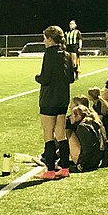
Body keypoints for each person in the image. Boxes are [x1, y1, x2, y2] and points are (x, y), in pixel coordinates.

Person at [33, 26, 73, 180]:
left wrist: (37, 77)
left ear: (50, 39)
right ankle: (64, 168)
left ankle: (50, 170)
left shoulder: (49, 54)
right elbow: (70, 78)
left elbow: (45, 78)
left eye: (45, 38)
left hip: (49, 99)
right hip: (63, 99)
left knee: (48, 134)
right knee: (61, 134)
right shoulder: (67, 54)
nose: (44, 41)